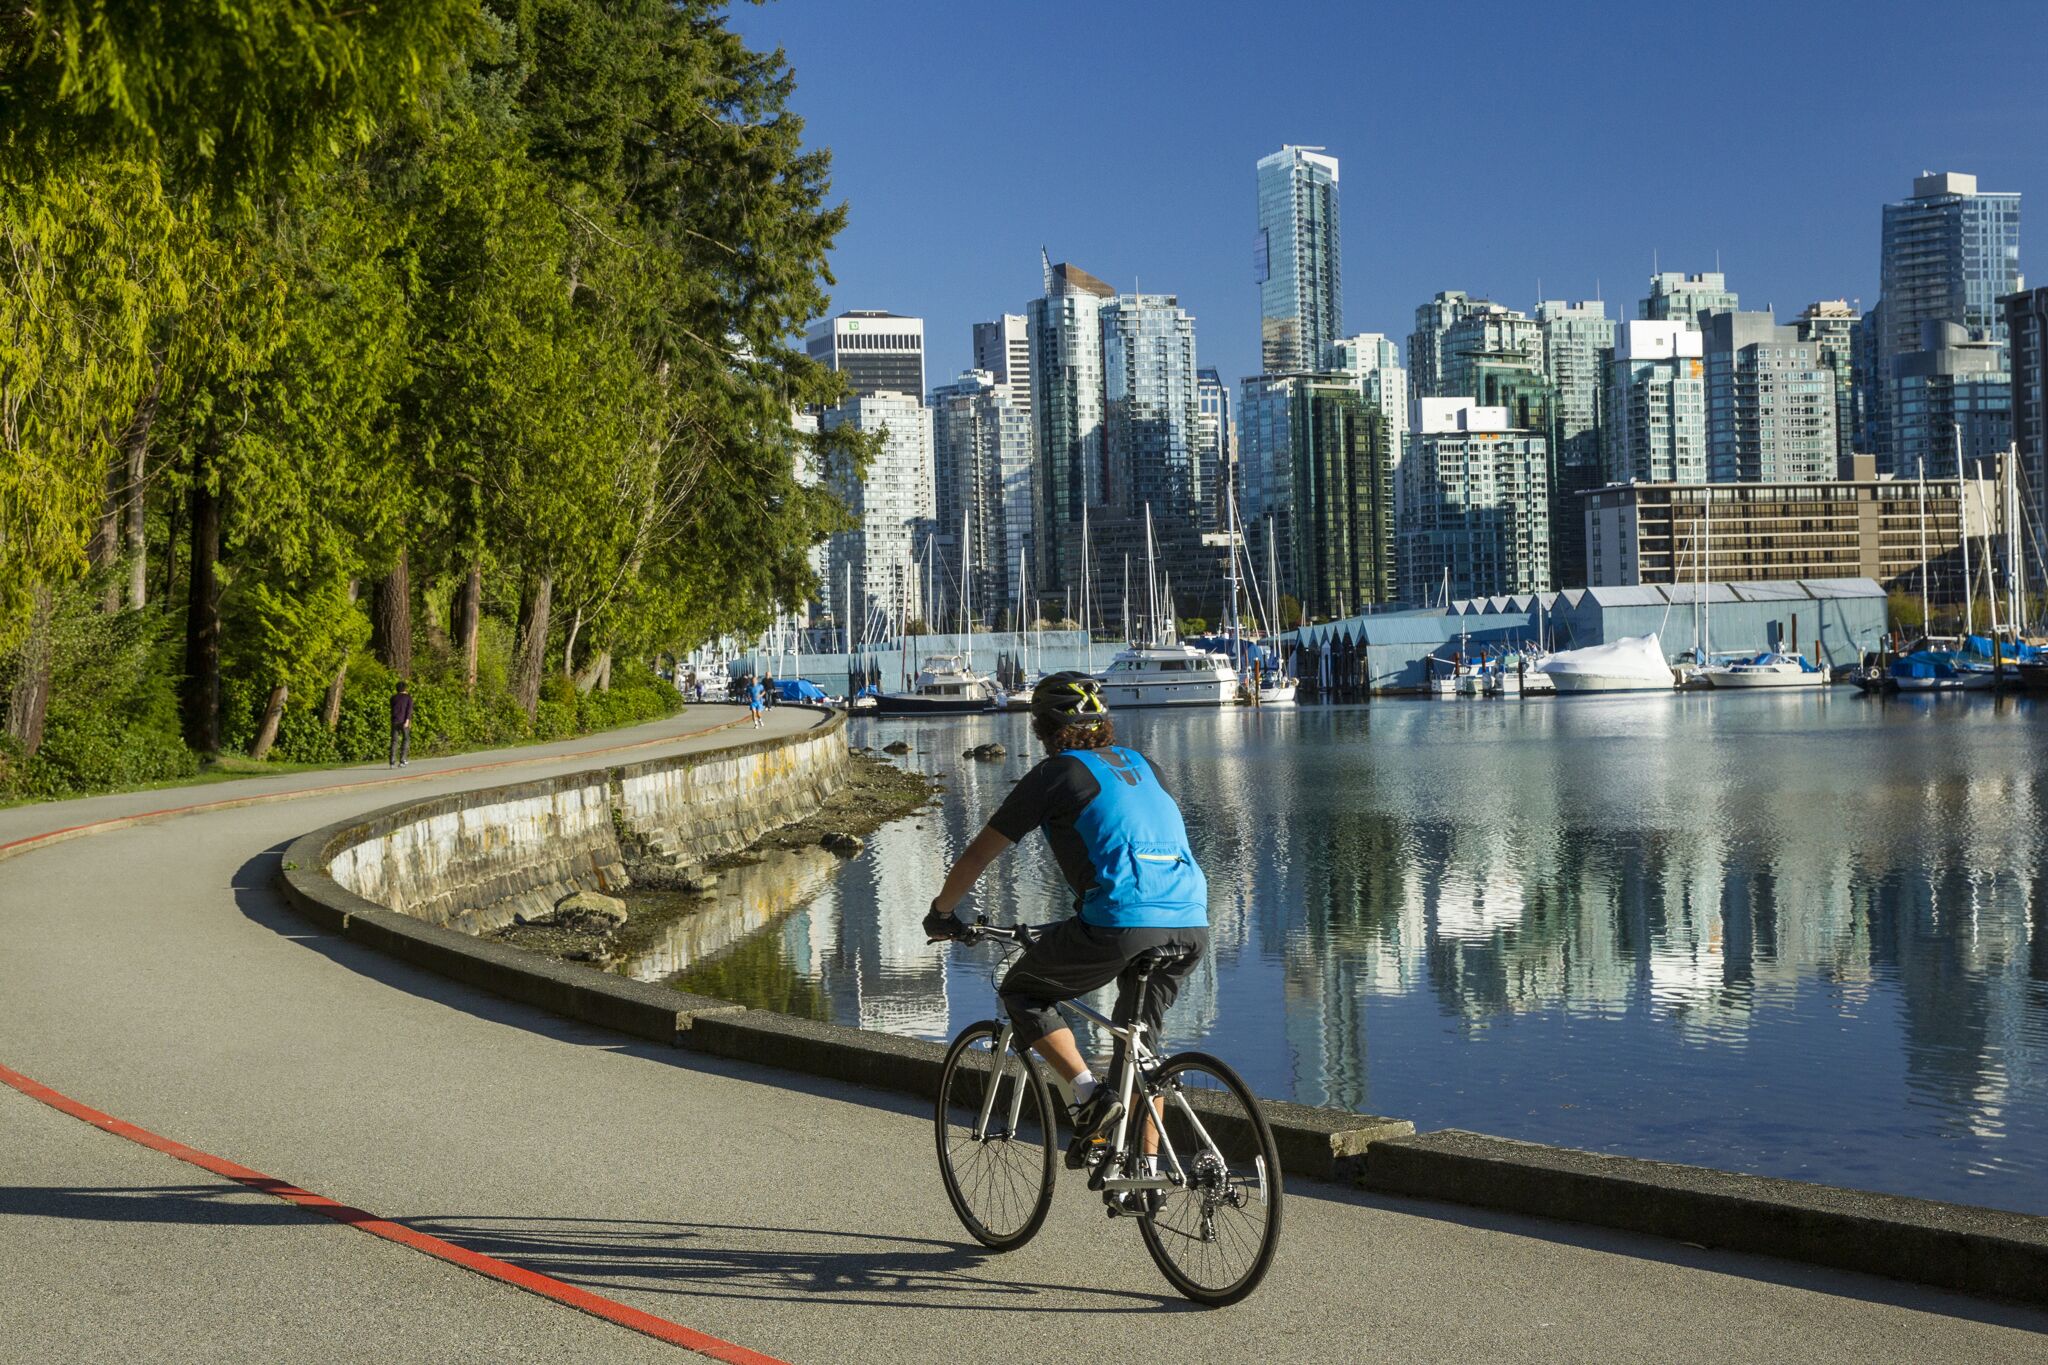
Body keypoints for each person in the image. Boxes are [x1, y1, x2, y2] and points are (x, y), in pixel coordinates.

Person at [924, 671, 1208, 1165]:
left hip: (1120, 921)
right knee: (1140, 1049)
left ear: (1043, 726)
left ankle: (1086, 1094)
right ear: (1103, 722)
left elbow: (976, 857)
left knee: (1023, 991)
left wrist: (942, 914)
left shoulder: (1058, 773)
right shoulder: (1146, 765)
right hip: (1192, 920)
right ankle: (1147, 1172)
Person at [388, 680, 413, 767]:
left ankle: (392, 761)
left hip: (394, 721)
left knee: (394, 741)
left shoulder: (393, 698)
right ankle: (402, 760)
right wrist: (407, 720)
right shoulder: (408, 698)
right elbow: (409, 710)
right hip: (403, 721)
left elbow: (392, 709)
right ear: (405, 688)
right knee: (405, 739)